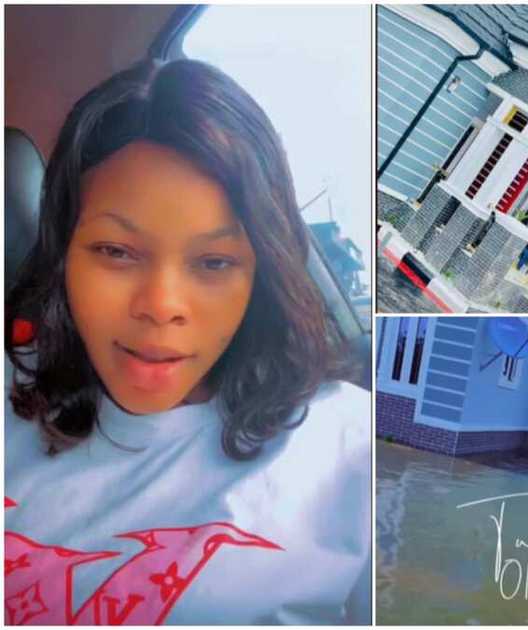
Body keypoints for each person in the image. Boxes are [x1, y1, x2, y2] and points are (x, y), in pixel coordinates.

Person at [4, 58, 371, 625]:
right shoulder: (11, 384)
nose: (161, 305)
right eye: (116, 251)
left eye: (214, 261)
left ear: (261, 273)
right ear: (64, 253)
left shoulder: (351, 451)